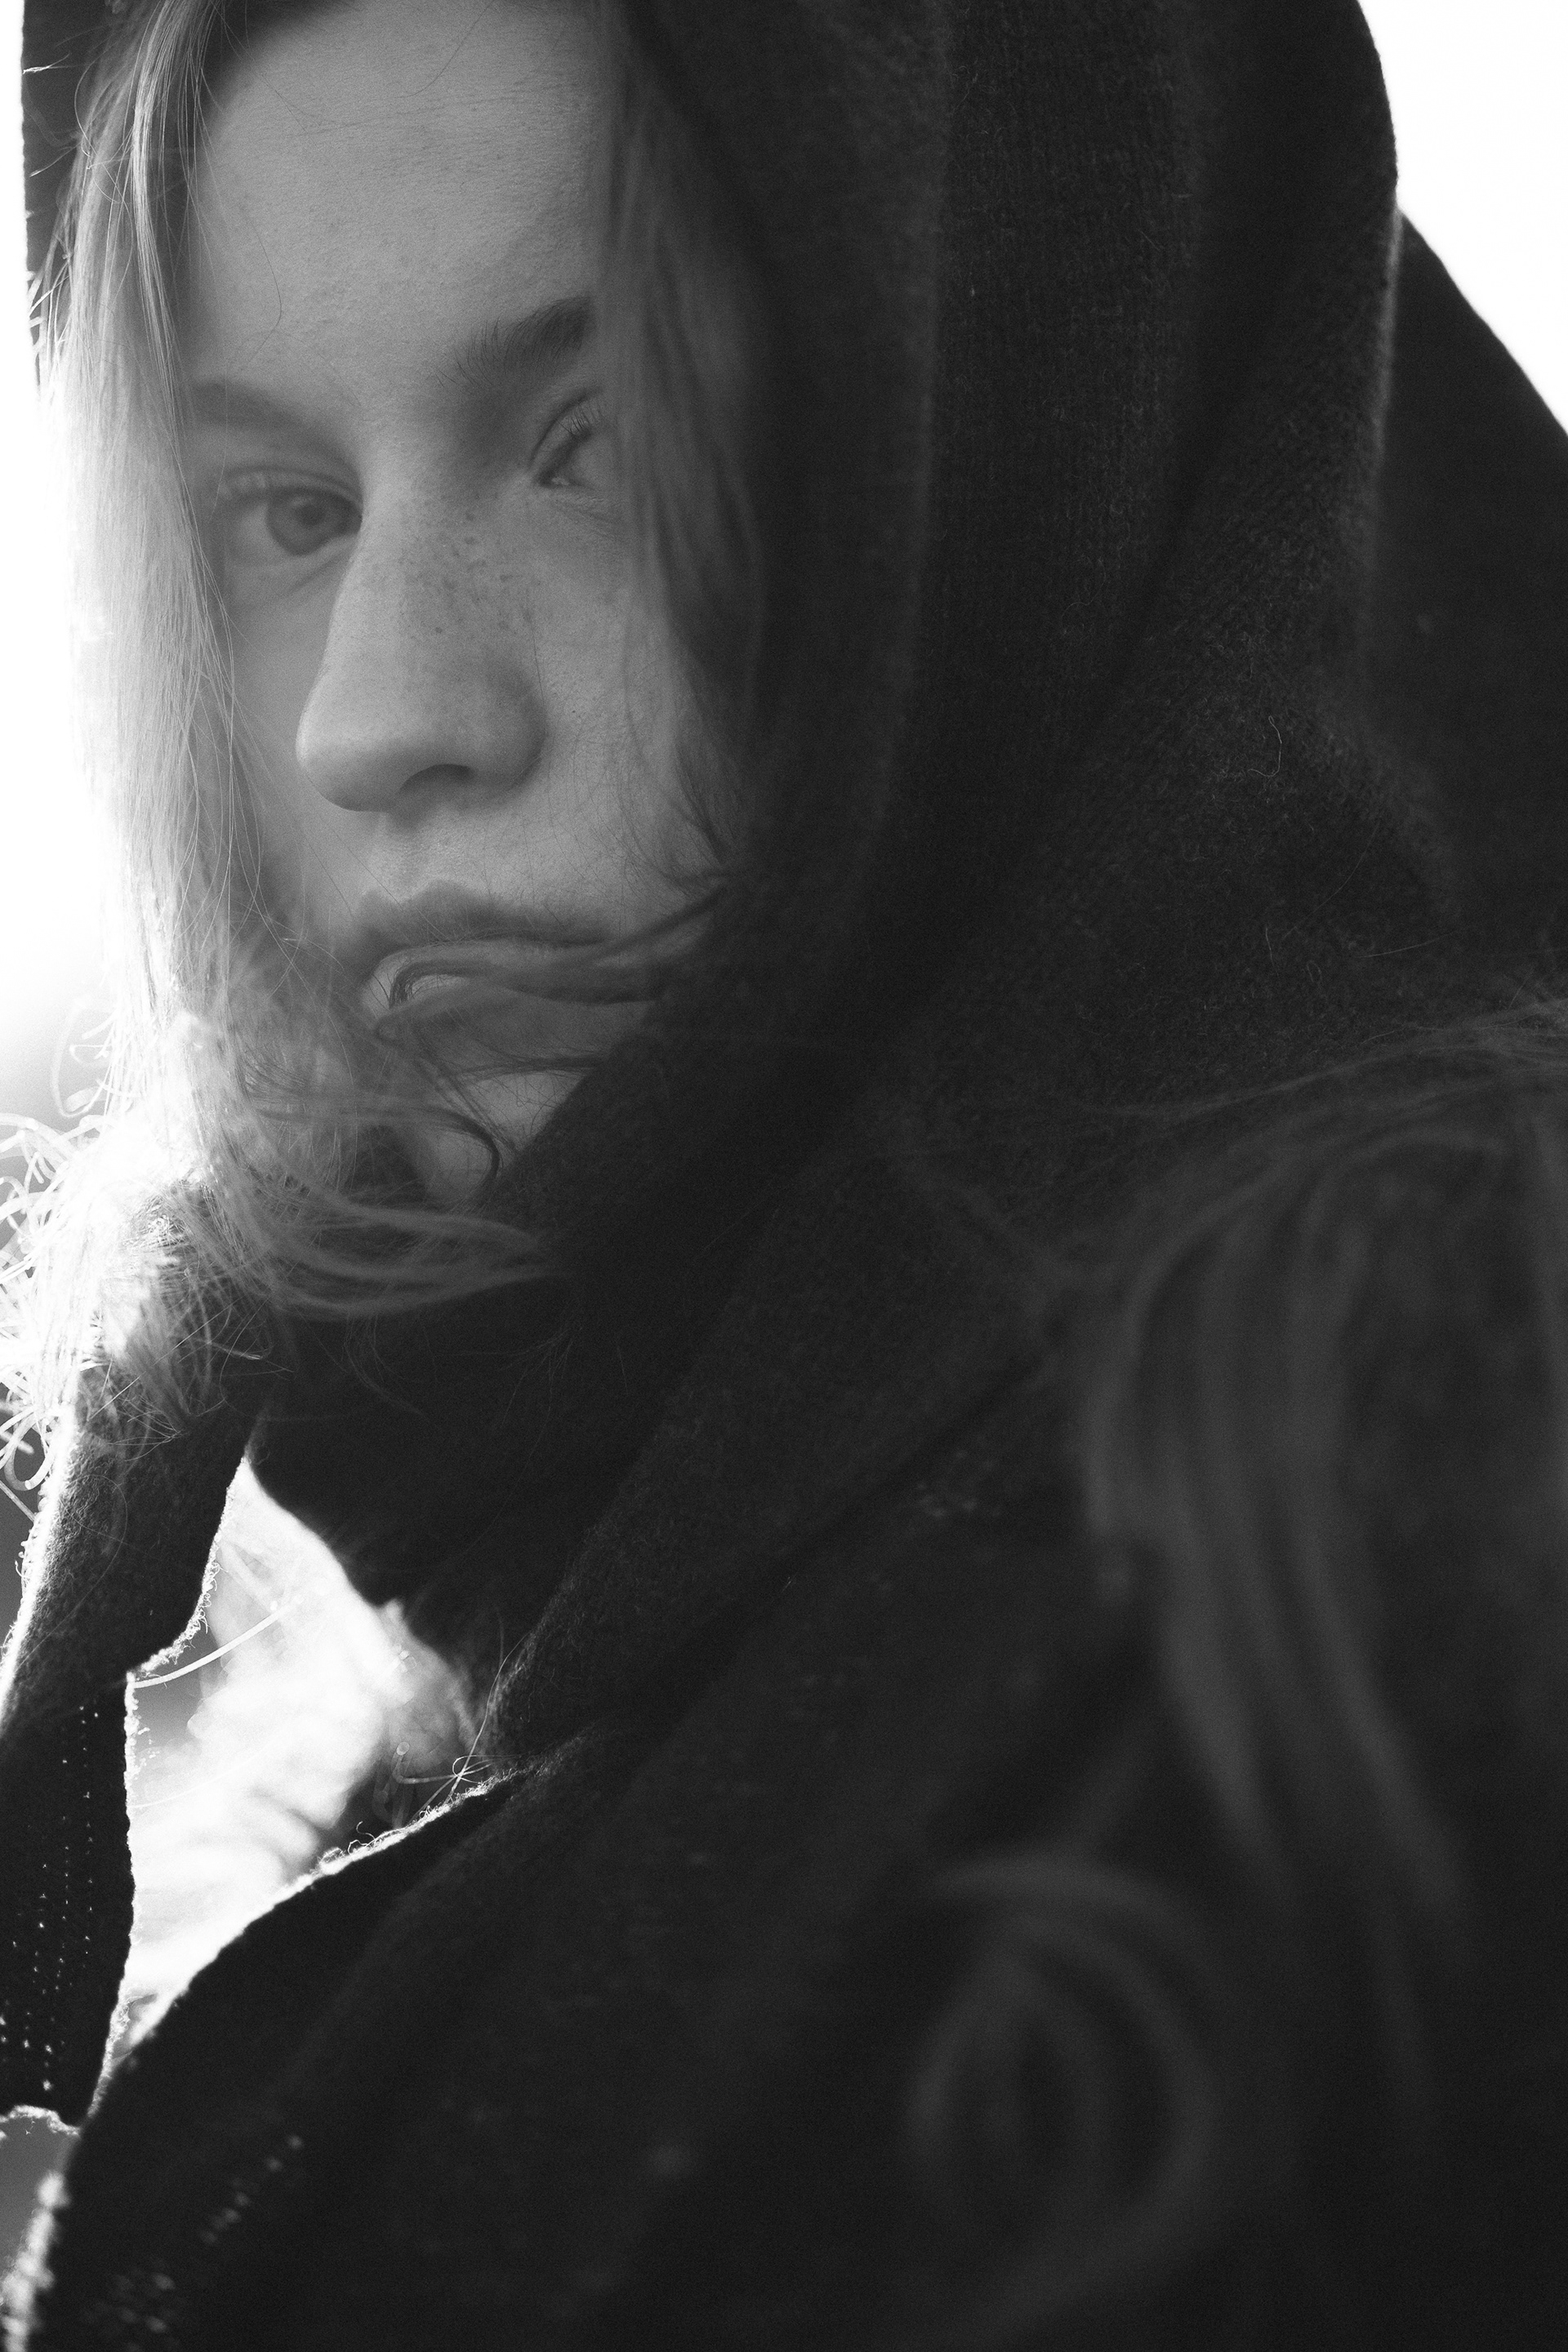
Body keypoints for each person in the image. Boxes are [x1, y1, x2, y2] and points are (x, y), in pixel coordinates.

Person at [2, 0, 1567, 2345]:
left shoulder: (1407, 1539)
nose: (380, 716)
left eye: (604, 447)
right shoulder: (429, 1711)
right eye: (281, 514)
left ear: (1041, 414)